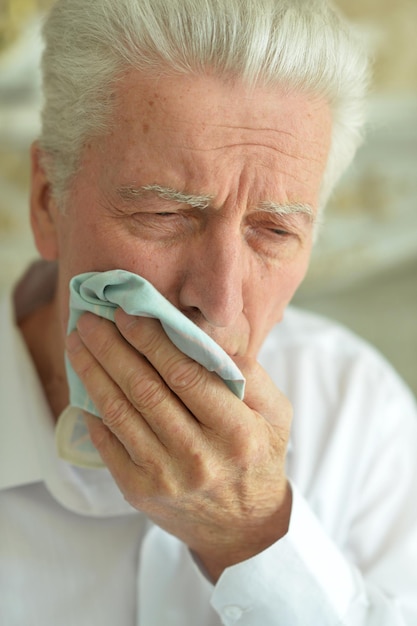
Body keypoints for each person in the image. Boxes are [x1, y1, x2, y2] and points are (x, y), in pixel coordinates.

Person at [1, 0, 416, 624]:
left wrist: (255, 536)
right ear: (45, 201)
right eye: (163, 215)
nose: (219, 301)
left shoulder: (361, 412)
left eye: (273, 231)